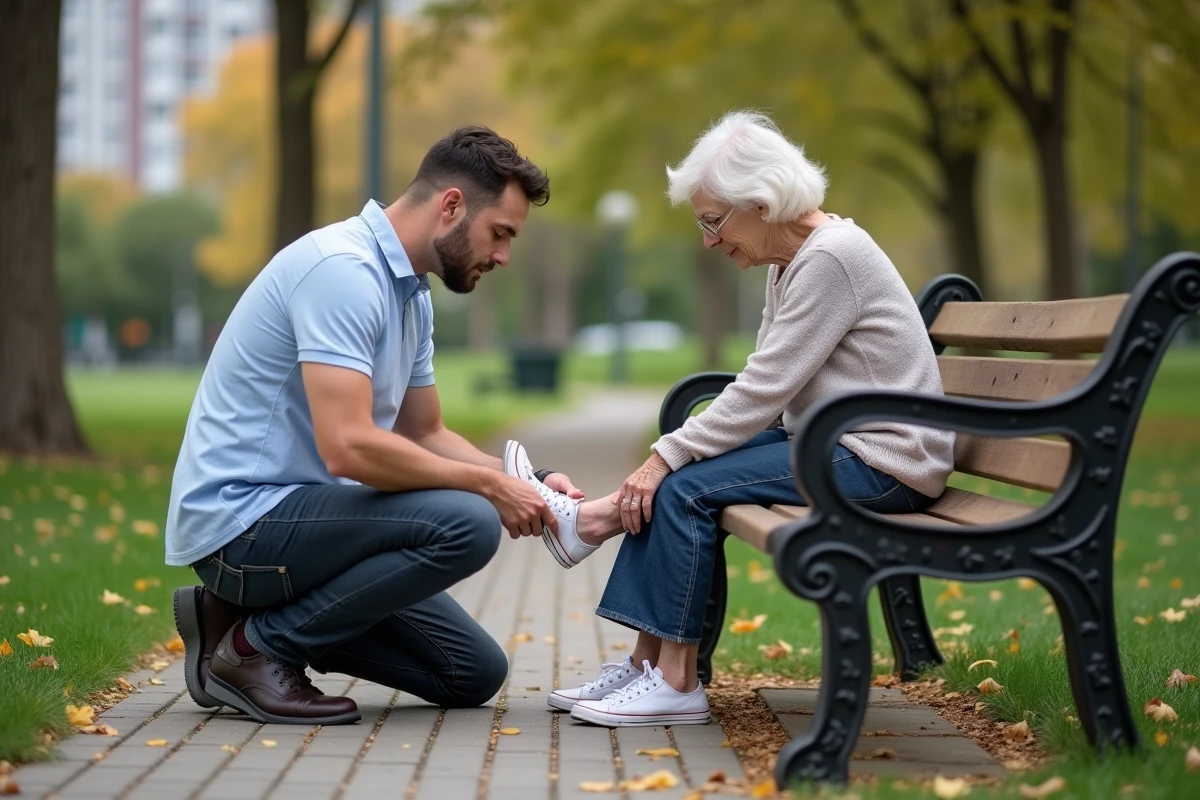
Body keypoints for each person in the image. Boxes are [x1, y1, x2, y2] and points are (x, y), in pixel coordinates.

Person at [515, 111, 956, 727]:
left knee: (685, 484)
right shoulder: (793, 260)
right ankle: (646, 666)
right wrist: (665, 460)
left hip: (885, 463)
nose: (708, 240)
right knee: (674, 478)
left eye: (713, 221)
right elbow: (765, 382)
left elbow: (765, 387)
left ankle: (675, 678)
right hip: (839, 446)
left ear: (762, 201)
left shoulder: (831, 258)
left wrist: (666, 453)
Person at [166, 126, 586, 725]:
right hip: (243, 526)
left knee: (471, 673)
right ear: (451, 206)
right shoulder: (342, 271)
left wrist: (529, 480)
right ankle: (256, 652)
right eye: (501, 234)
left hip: (308, 526)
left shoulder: (411, 295)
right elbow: (349, 449)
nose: (503, 256)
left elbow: (425, 432)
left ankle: (231, 621)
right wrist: (488, 490)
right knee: (467, 523)